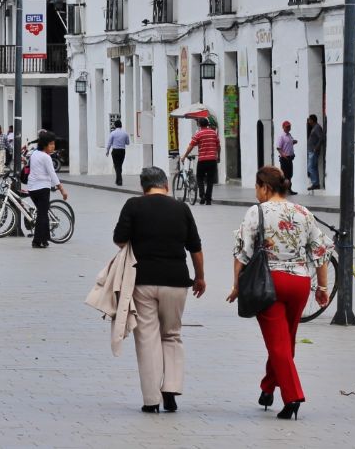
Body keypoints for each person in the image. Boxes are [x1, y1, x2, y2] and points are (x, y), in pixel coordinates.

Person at [226, 166, 331, 420]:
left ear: (265, 187)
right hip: (300, 284)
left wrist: (237, 285)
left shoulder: (257, 212)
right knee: (286, 341)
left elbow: (242, 252)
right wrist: (323, 288)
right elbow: (320, 253)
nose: (256, 192)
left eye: (256, 187)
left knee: (278, 344)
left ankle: (293, 396)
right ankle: (267, 386)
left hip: (268, 282)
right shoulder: (303, 212)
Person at [113, 166, 206, 414]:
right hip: (176, 282)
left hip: (143, 281)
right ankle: (171, 391)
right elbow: (195, 247)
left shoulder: (133, 206)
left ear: (143, 188)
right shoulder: (181, 208)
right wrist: (200, 277)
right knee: (172, 334)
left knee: (147, 339)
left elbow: (119, 239)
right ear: (166, 184)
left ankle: (151, 400)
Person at [25, 130, 68, 248]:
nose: (53, 146)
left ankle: (45, 239)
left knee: (42, 213)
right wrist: (62, 189)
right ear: (44, 144)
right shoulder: (46, 157)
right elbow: (53, 174)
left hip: (32, 189)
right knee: (42, 215)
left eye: (54, 144)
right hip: (42, 188)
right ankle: (37, 241)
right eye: (51, 144)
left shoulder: (34, 154)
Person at [184, 118, 221, 205]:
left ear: (199, 125)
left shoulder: (198, 134)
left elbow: (191, 146)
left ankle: (202, 195)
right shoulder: (213, 133)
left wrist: (185, 155)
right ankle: (208, 199)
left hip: (202, 160)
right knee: (210, 180)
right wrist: (218, 156)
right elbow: (218, 146)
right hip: (212, 160)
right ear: (208, 124)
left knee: (200, 178)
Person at [275, 120, 298, 195]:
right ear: (283, 127)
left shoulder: (289, 135)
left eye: (289, 126)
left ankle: (289, 189)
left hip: (290, 158)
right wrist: (283, 155)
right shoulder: (281, 136)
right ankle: (282, 190)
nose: (288, 128)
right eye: (287, 126)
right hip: (285, 158)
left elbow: (289, 144)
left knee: (290, 175)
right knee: (284, 175)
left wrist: (293, 142)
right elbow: (278, 148)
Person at [105, 120, 131, 186]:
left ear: (115, 126)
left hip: (115, 151)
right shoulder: (125, 133)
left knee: (117, 166)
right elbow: (127, 143)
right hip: (122, 151)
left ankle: (119, 180)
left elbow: (109, 143)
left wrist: (107, 151)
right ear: (121, 125)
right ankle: (117, 180)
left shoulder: (113, 133)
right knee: (119, 165)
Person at [306, 114, 325, 191]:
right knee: (313, 167)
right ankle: (315, 183)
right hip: (311, 151)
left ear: (312, 120)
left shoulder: (317, 128)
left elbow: (321, 138)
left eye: (309, 120)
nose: (308, 121)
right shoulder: (314, 127)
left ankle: (315, 183)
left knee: (311, 167)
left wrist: (316, 148)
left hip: (313, 151)